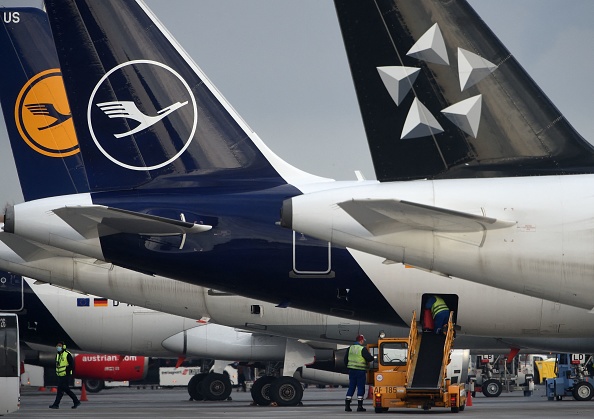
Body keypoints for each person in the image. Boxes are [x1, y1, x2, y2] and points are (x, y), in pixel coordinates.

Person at [344, 334, 373, 412]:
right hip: (360, 371)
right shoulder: (362, 349)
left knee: (351, 387)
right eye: (363, 340)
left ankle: (347, 406)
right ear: (361, 341)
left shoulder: (350, 348)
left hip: (351, 371)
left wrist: (349, 367)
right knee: (360, 387)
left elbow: (345, 360)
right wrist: (373, 357)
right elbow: (369, 358)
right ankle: (359, 406)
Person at [49, 341, 81, 409]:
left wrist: (67, 371)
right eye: (57, 346)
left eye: (60, 346)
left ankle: (56, 404)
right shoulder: (58, 355)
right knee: (63, 390)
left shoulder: (67, 354)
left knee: (62, 389)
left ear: (63, 346)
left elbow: (72, 365)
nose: (58, 347)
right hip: (60, 375)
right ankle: (75, 401)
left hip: (66, 375)